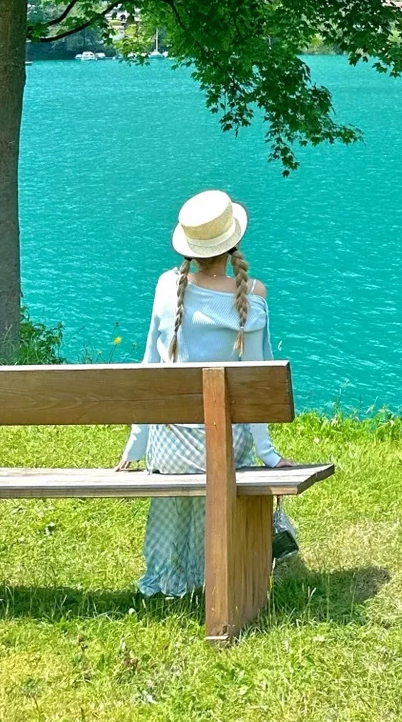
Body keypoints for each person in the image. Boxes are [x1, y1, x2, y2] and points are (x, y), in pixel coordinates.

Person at [118, 189, 298, 596]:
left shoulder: (167, 286)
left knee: (184, 455)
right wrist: (268, 456)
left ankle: (170, 577)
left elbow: (150, 368)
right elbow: (255, 386)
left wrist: (135, 447)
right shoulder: (251, 296)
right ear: (232, 243)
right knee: (221, 447)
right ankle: (216, 571)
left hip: (169, 449)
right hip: (222, 446)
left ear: (190, 248)